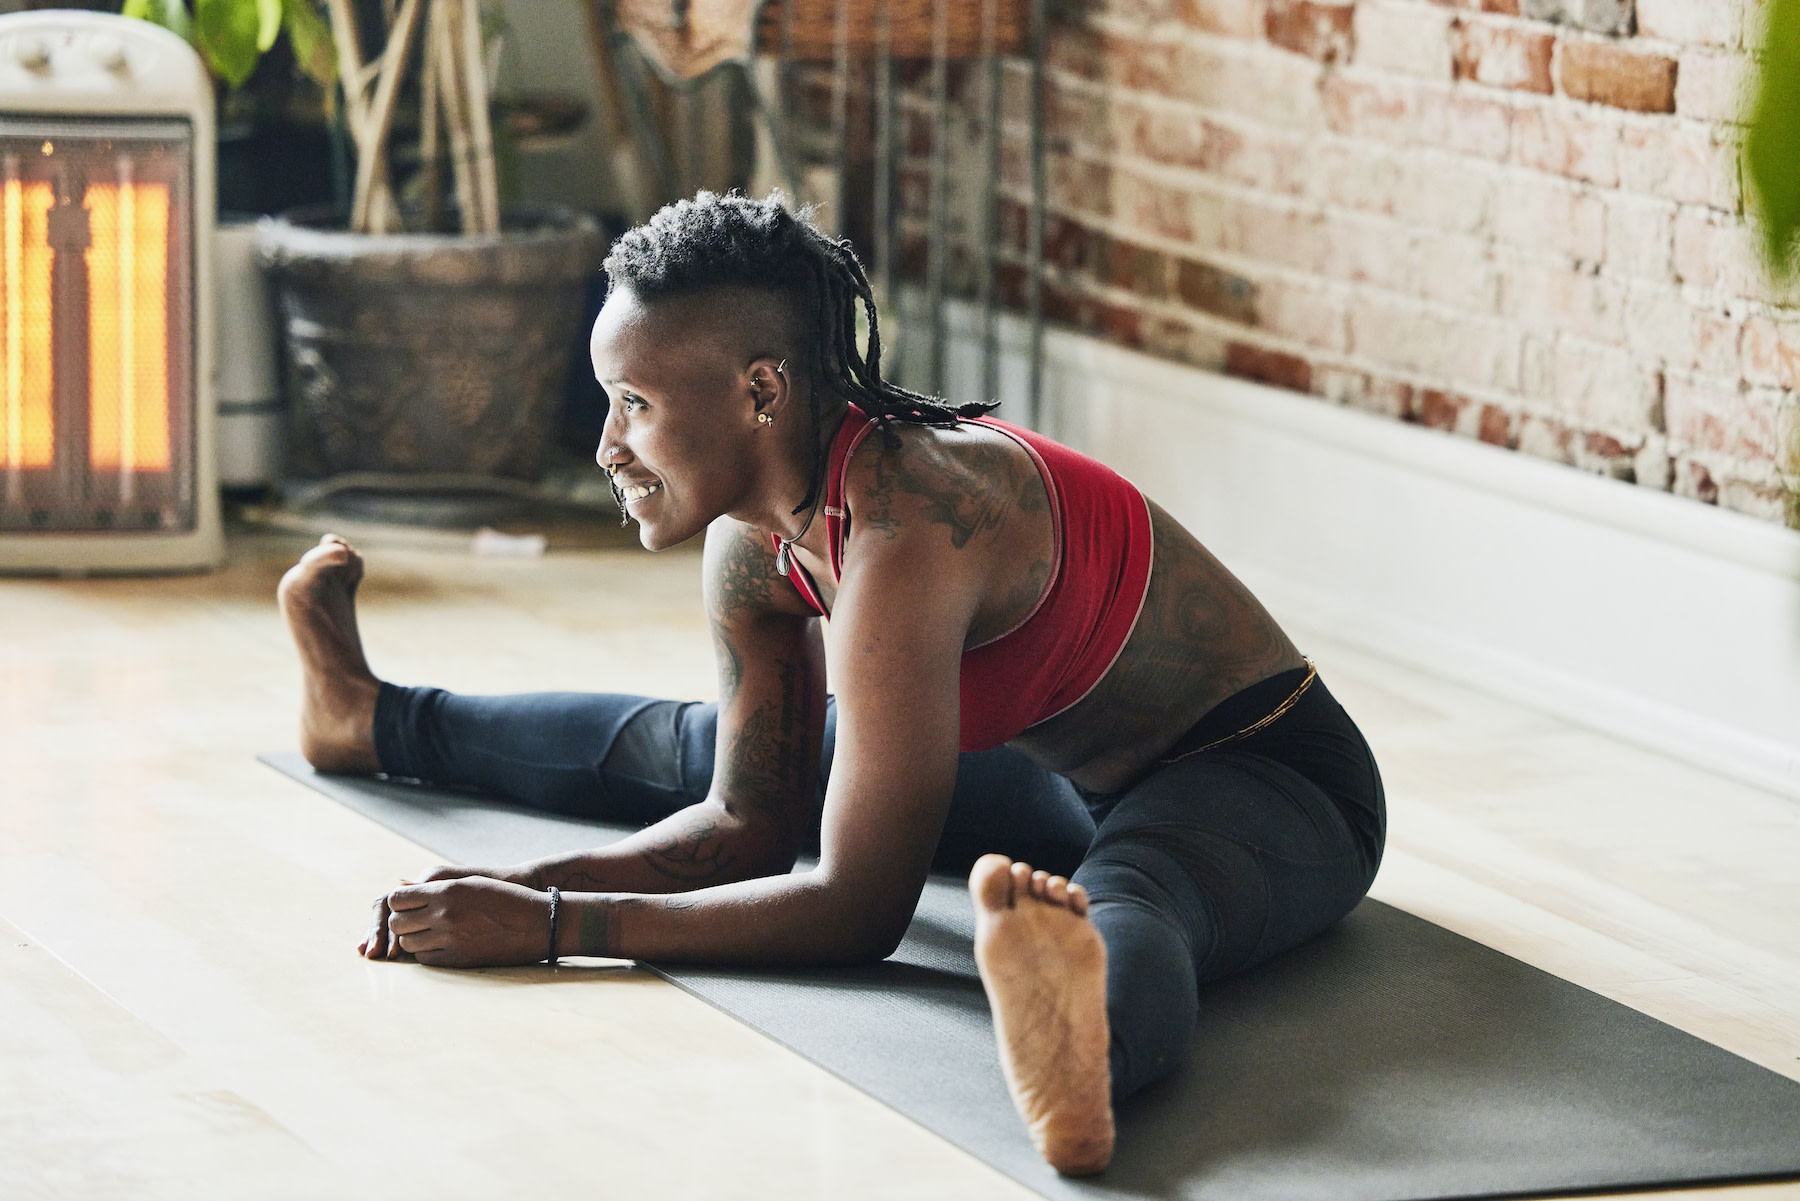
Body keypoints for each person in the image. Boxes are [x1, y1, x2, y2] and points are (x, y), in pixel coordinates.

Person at [279, 191, 1385, 1176]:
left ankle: (1086, 1074)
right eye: (607, 401)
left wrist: (560, 925)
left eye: (635, 403)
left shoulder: (911, 522)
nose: (609, 443)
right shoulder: (752, 543)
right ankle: (369, 717)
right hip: (1056, 768)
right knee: (703, 744)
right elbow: (747, 822)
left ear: (762, 391)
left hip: (1257, 769)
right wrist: (521, 879)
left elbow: (859, 908)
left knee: (1139, 896)